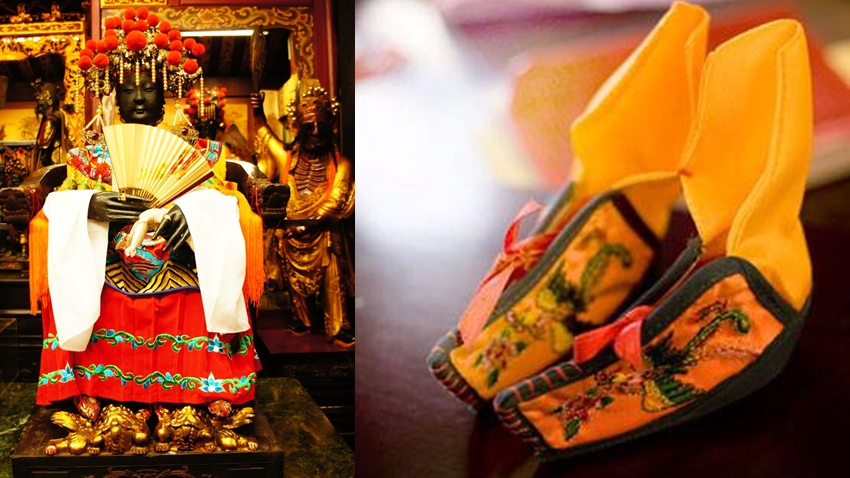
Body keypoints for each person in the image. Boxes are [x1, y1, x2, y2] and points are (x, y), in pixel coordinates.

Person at [30, 10, 263, 418]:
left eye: (149, 88)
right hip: (109, 262)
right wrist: (89, 206)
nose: (138, 98)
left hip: (178, 260)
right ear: (114, 95)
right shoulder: (87, 158)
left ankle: (206, 385)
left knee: (206, 277)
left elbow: (224, 201)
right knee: (77, 283)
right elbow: (60, 204)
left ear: (165, 92)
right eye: (128, 89)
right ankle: (94, 384)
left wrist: (192, 213)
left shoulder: (199, 154)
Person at [251, 85, 355, 347]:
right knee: (295, 283)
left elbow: (337, 200)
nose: (316, 132)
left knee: (333, 279)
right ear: (298, 128)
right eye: (310, 126)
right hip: (291, 235)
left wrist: (307, 225)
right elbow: (265, 136)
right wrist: (258, 112)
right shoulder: (286, 158)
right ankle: (303, 320)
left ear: (331, 128)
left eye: (321, 126)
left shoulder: (341, 163)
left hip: (324, 233)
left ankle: (338, 325)